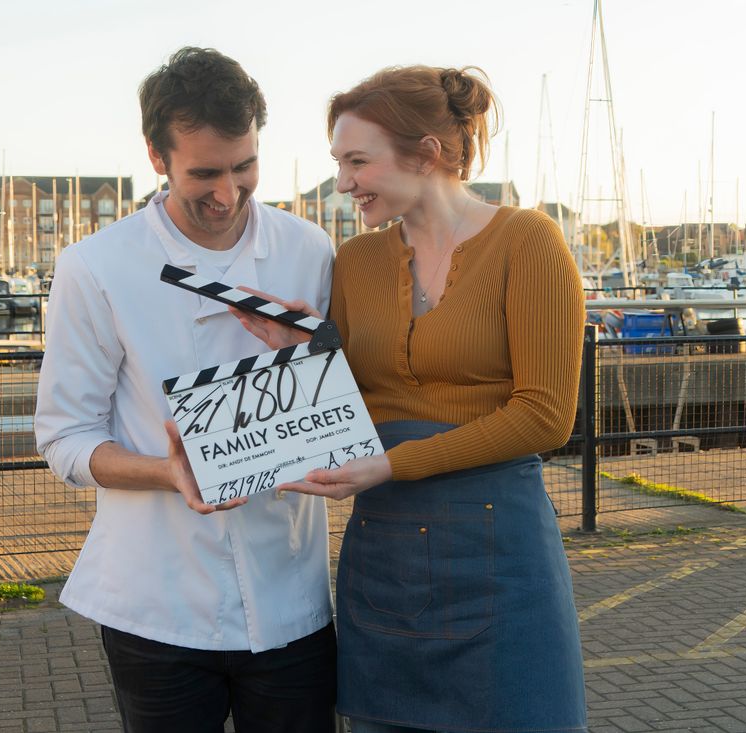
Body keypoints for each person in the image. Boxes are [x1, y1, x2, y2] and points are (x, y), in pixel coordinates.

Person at [235, 65, 587, 733]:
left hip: (501, 554)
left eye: (357, 161)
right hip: (385, 558)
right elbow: (349, 403)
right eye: (339, 162)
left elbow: (545, 416)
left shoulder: (529, 243)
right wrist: (298, 350)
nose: (342, 183)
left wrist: (394, 464)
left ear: (425, 153)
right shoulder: (355, 261)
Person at [34, 47, 337, 733]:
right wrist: (171, 471)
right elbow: (66, 437)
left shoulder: (309, 248)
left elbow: (335, 399)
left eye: (244, 168)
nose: (226, 195)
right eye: (203, 173)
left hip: (290, 596)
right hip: (155, 604)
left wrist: (312, 354)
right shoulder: (96, 267)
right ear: (156, 155)